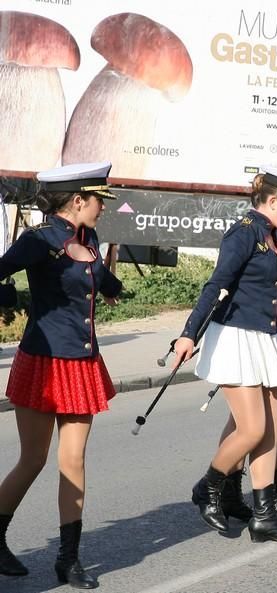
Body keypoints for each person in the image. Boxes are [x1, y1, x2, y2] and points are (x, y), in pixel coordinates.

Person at [173, 167, 277, 545]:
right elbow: (215, 285)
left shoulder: (274, 236)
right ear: (272, 201)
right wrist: (188, 334)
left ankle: (264, 515)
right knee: (252, 429)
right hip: (236, 336)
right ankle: (209, 486)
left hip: (266, 339)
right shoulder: (245, 232)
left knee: (273, 424)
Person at [0, 163, 122, 588]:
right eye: (98, 200)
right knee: (33, 460)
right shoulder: (39, 240)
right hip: (44, 360)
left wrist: (111, 285)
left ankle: (68, 560)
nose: (102, 207)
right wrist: (7, 296)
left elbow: (94, 274)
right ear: (77, 200)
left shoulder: (89, 237)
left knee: (74, 461)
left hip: (83, 361)